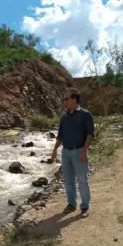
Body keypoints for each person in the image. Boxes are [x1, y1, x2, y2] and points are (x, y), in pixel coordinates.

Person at [51, 87, 94, 218]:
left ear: (74, 99)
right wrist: (54, 151)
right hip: (66, 151)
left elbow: (90, 134)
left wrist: (84, 151)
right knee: (68, 180)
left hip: (79, 151)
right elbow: (60, 136)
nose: (64, 101)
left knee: (82, 180)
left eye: (66, 98)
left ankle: (85, 206)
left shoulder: (85, 115)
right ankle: (71, 204)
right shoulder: (64, 117)